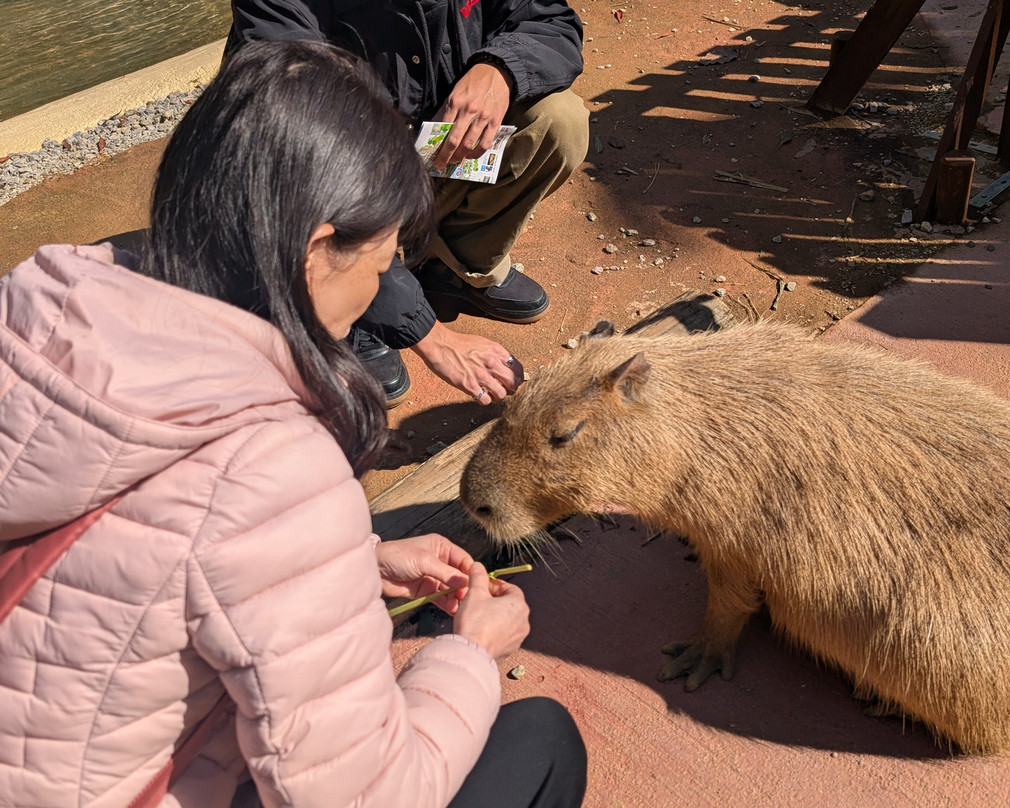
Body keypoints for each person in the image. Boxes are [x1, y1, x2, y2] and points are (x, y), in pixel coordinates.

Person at [0, 41, 586, 808]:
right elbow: (365, 796)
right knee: (542, 742)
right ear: (316, 252)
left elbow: (153, 551)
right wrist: (470, 653)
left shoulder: (33, 314)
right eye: (381, 264)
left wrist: (357, 561)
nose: (375, 290)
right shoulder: (278, 471)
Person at [226, 0, 590, 406]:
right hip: (329, 181)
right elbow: (297, 156)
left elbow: (550, 18)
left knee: (559, 119)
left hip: (421, 157)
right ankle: (349, 311)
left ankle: (448, 266)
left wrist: (501, 69)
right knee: (309, 170)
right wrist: (432, 338)